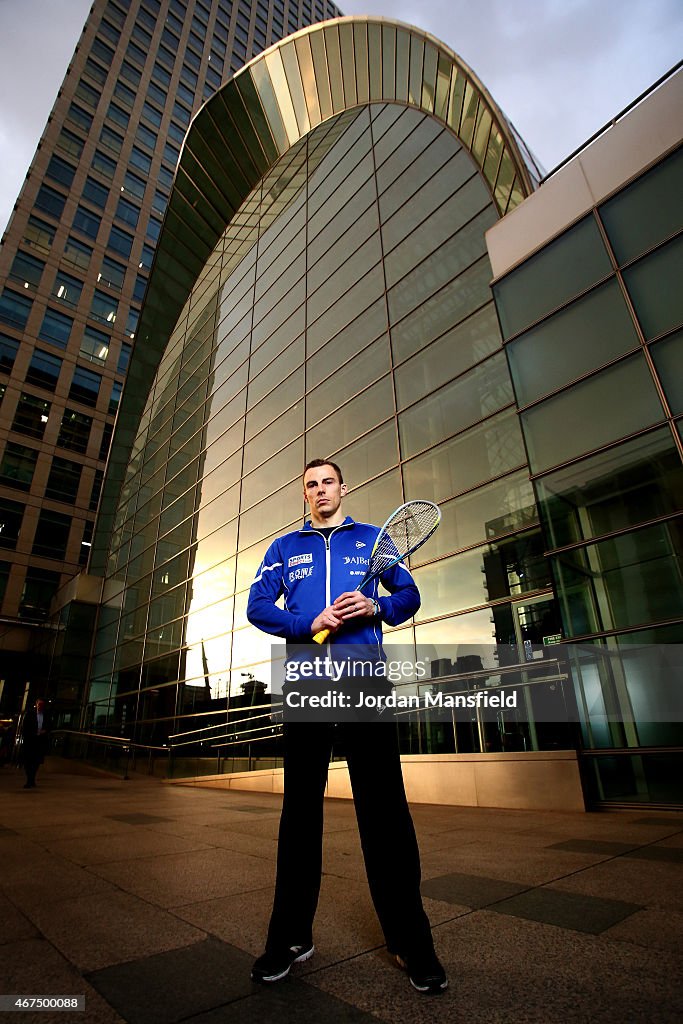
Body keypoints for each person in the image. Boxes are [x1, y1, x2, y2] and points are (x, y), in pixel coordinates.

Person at [246, 458, 447, 994]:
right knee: (300, 815)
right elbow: (258, 606)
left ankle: (411, 942)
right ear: (304, 496)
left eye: (327, 481)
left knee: (385, 816)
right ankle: (289, 938)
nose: (319, 490)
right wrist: (305, 623)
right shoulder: (284, 550)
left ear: (343, 487)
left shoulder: (375, 540)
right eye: (310, 485)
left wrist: (374, 605)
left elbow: (409, 597)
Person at [21, 698, 51, 789]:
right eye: (39, 704)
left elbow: (49, 726)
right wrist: (32, 733)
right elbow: (25, 727)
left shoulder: (46, 716)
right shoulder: (30, 714)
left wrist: (44, 731)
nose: (41, 706)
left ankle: (31, 779)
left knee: (36, 762)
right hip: (30, 741)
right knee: (28, 762)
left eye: (42, 705)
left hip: (40, 742)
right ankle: (29, 779)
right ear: (36, 705)